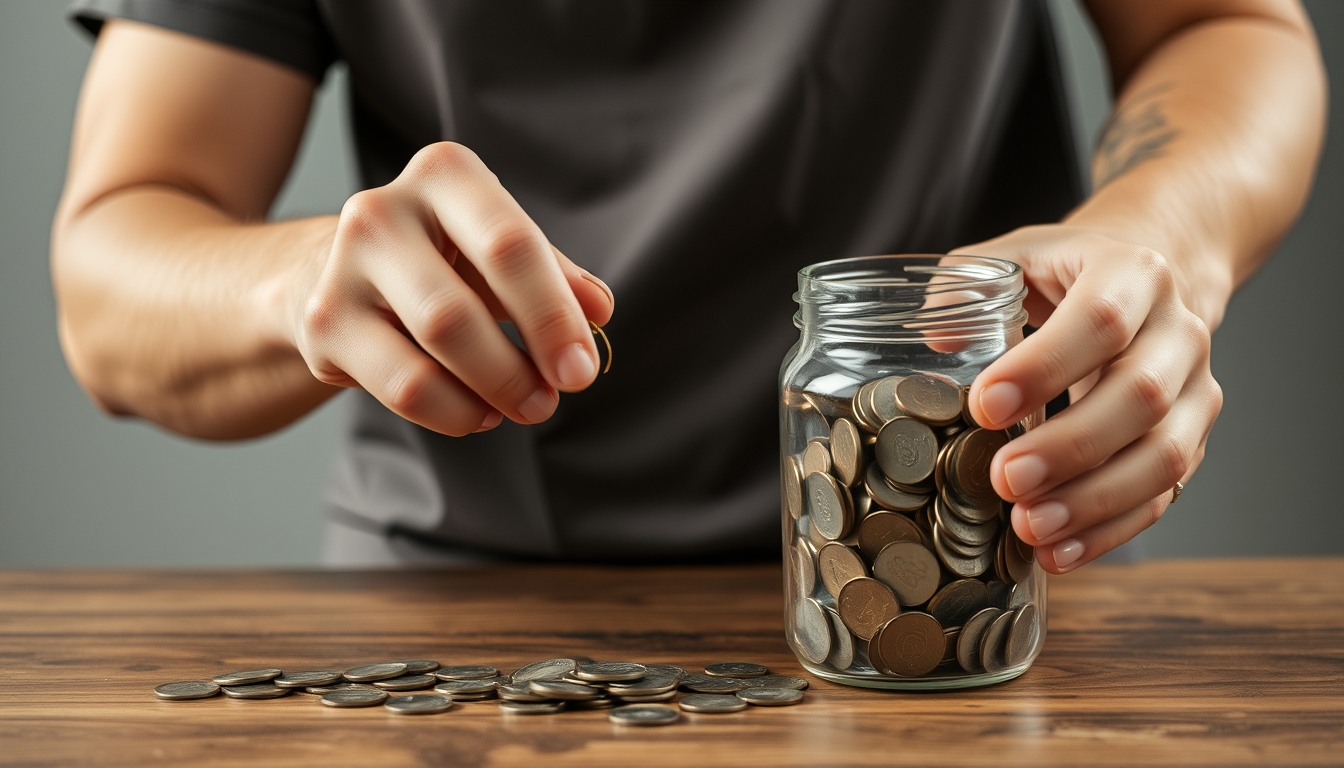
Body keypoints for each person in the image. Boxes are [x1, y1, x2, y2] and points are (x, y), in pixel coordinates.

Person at [54, 1, 1325, 570]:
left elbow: (1226, 22)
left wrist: (1164, 234)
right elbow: (110, 273)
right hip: (464, 593)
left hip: (972, 561)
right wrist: (300, 283)